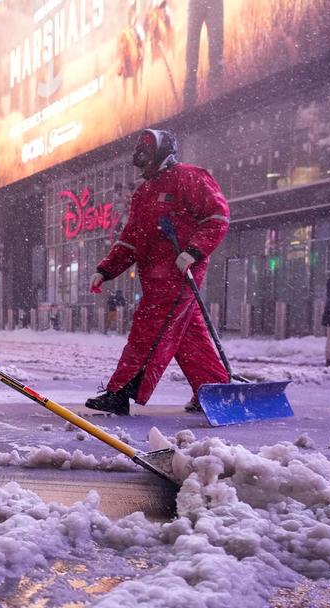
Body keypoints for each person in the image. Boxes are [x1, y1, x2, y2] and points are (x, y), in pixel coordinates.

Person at [85, 129, 230, 416]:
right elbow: (130, 241)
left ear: (163, 153)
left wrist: (194, 251)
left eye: (146, 153)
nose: (141, 160)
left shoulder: (190, 177)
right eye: (139, 154)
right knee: (188, 336)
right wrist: (106, 269)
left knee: (150, 330)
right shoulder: (143, 194)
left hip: (178, 274)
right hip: (153, 277)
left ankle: (120, 391)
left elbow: (218, 216)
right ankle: (214, 390)